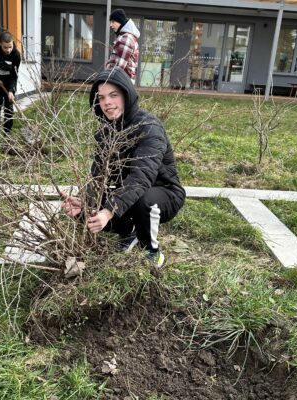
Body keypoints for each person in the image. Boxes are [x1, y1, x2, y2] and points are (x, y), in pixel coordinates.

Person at [61, 67, 185, 268]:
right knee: (86, 210)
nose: (106, 102)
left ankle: (152, 252)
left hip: (163, 194)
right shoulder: (107, 133)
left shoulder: (149, 128)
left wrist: (109, 211)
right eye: (101, 98)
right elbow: (98, 177)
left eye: (113, 95)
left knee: (144, 199)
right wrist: (86, 203)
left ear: (127, 95)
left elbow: (141, 178)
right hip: (130, 195)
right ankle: (129, 233)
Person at [0, 31, 21, 134]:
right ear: (0, 43)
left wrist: (11, 90)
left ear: (12, 43)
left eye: (10, 46)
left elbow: (14, 75)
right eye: (5, 47)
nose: (8, 50)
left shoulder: (16, 55)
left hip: (8, 81)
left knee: (9, 107)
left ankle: (7, 131)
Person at [105, 9, 140, 84]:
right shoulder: (126, 36)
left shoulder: (126, 38)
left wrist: (106, 81)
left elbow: (118, 67)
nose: (111, 25)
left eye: (113, 22)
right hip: (123, 81)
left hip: (121, 82)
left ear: (120, 21)